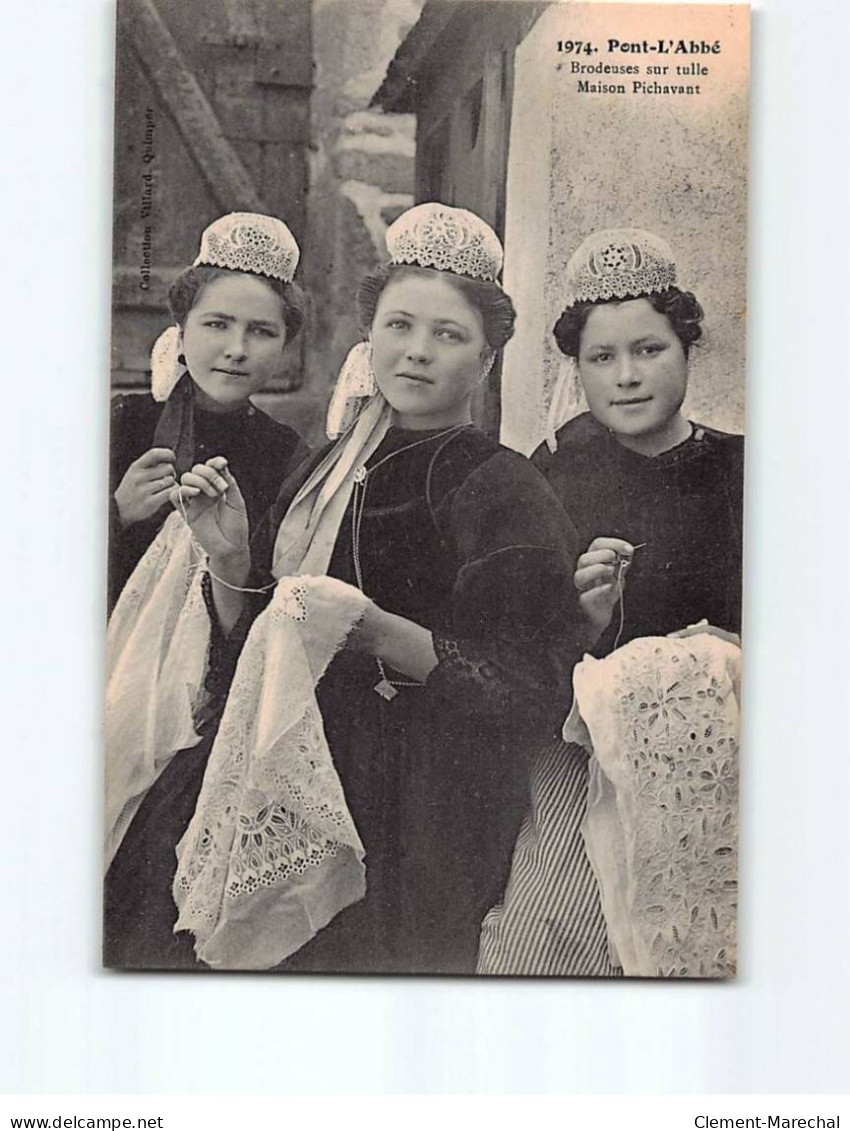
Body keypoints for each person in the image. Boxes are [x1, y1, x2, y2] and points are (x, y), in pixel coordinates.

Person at [104, 202, 584, 975]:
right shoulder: (320, 466)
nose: (417, 353)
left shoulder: (503, 489)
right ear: (372, 337)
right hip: (280, 769)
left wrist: (379, 631)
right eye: (399, 326)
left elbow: (532, 693)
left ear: (489, 360)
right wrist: (229, 561)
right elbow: (248, 650)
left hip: (413, 810)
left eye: (448, 335)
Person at [478, 228, 744, 977]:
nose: (626, 376)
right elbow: (511, 654)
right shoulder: (552, 475)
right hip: (575, 755)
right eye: (602, 358)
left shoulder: (743, 469)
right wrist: (581, 621)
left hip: (718, 759)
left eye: (649, 350)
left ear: (689, 350)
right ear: (580, 369)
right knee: (537, 940)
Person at [108, 211, 306, 611]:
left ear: (284, 349)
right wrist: (116, 513)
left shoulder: (286, 455)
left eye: (262, 331)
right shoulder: (122, 423)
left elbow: (275, 604)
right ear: (181, 334)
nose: (237, 348)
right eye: (217, 324)